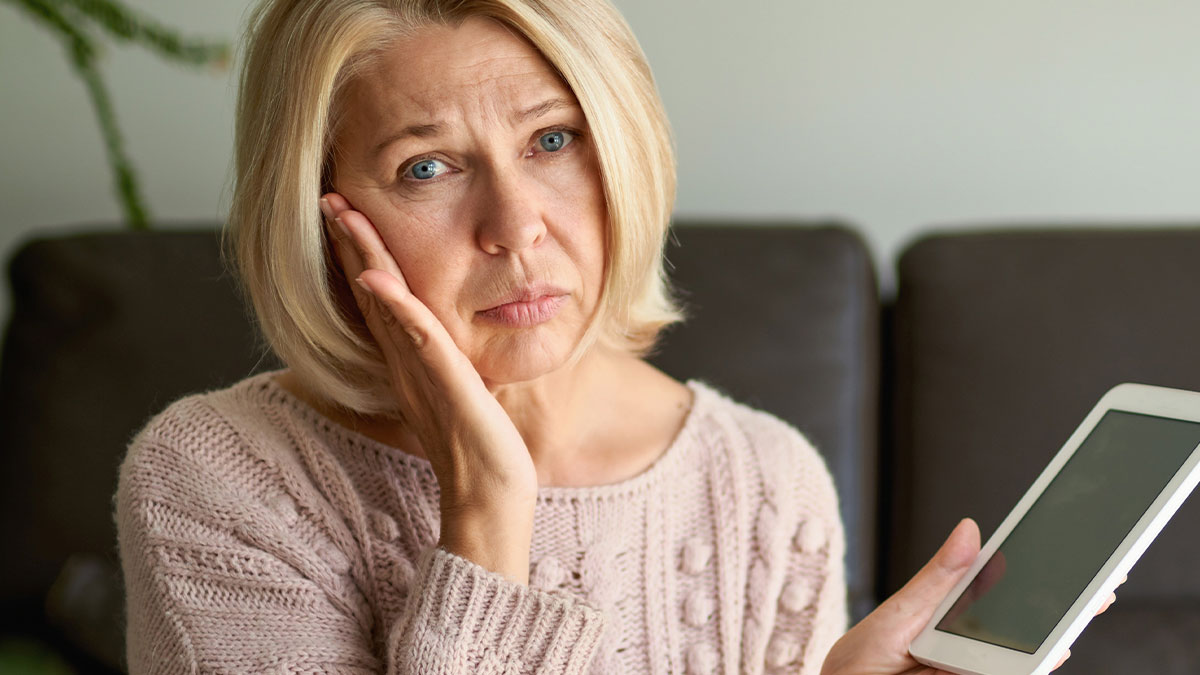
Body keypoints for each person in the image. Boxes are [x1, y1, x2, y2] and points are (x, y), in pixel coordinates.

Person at [114, 0, 1113, 673]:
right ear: (323, 213)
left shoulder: (764, 483)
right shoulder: (219, 480)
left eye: (554, 141)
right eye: (428, 167)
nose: (515, 224)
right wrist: (485, 514)